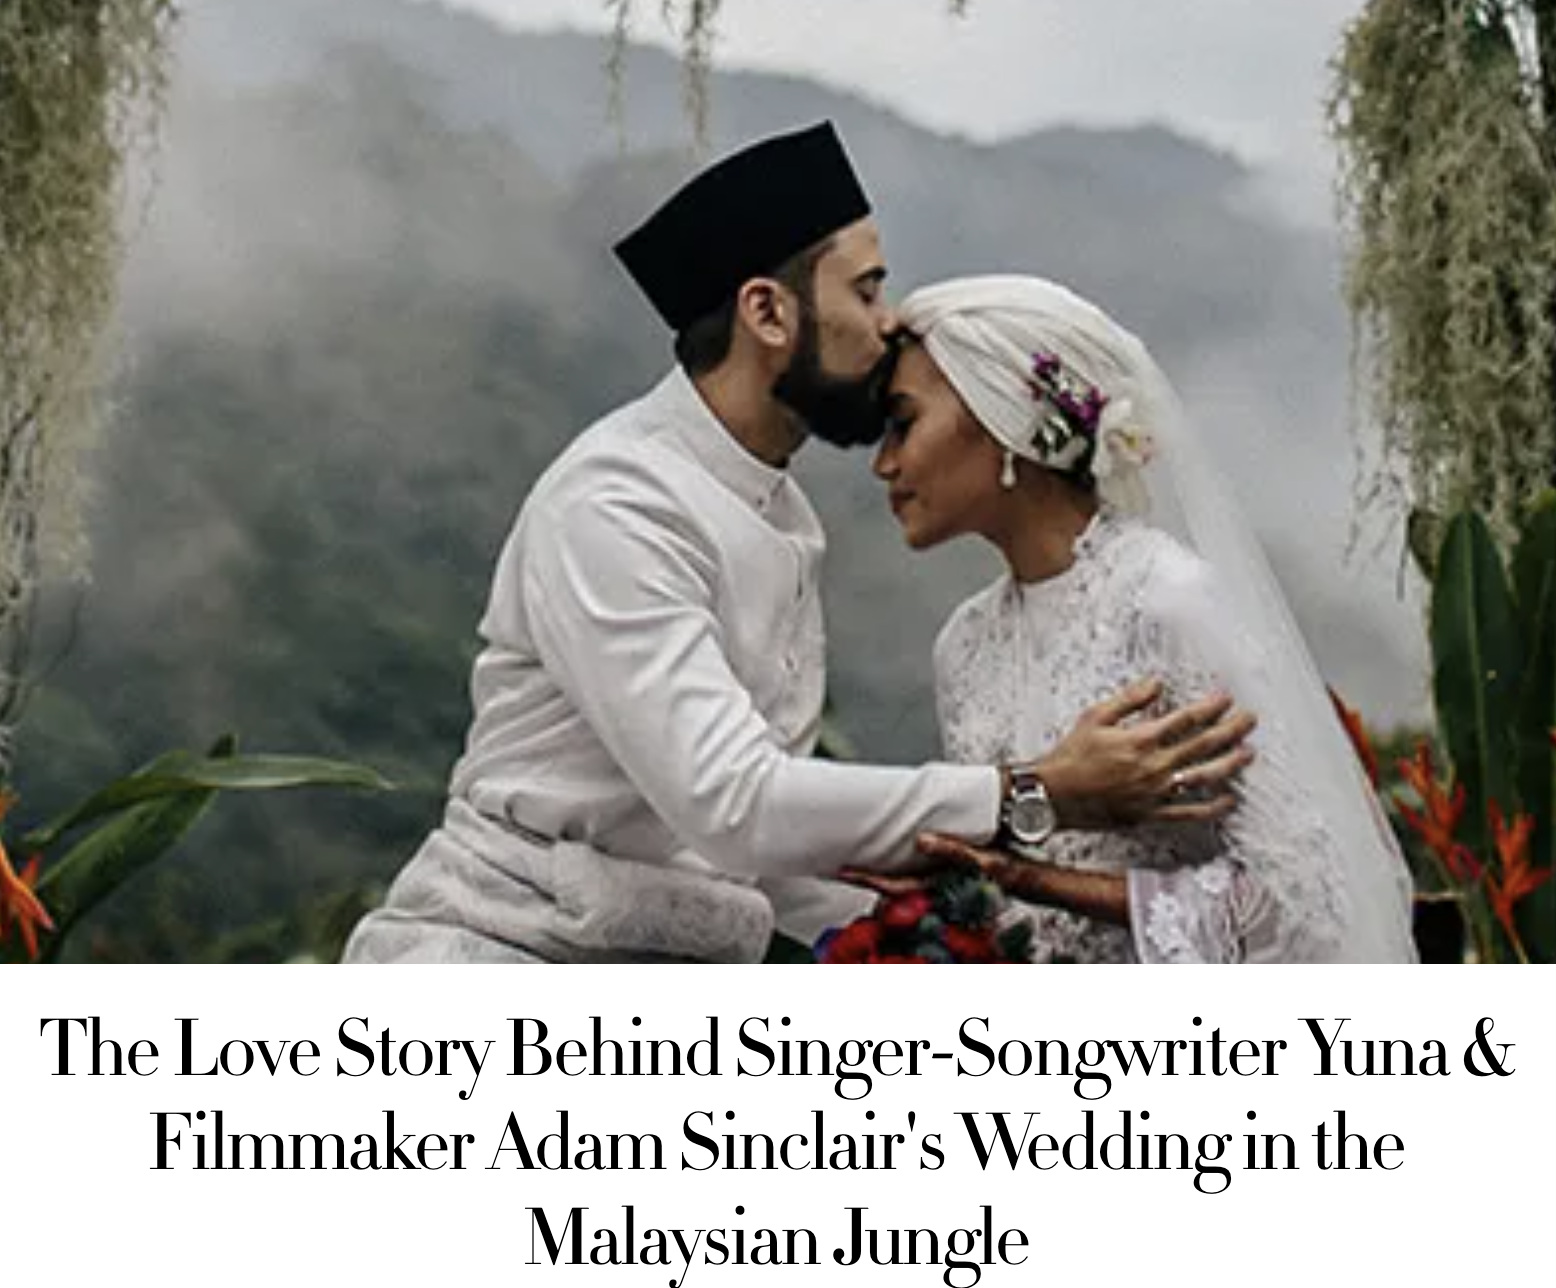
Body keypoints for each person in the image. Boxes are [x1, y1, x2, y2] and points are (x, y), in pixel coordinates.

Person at [344, 130, 1253, 965]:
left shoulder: (778, 509)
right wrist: (1038, 793)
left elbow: (740, 845)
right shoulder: (616, 505)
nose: (890, 321)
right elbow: (736, 805)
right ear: (768, 315)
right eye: (865, 288)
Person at [858, 274, 1417, 962]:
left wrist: (1041, 881)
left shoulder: (1169, 602)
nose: (884, 462)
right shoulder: (963, 646)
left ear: (1000, 413)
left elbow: (1306, 902)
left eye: (903, 422)